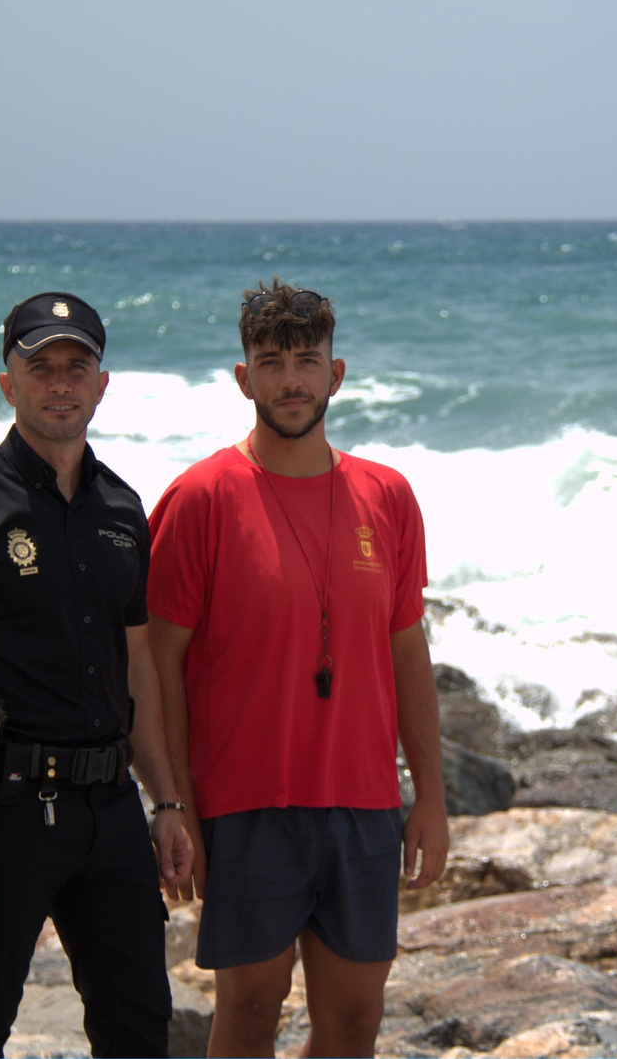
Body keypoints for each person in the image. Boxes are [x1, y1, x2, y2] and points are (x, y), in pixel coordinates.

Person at [0, 291, 193, 1058]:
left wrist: (167, 801)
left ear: (101, 384)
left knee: (140, 1029)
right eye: (40, 366)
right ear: (8, 383)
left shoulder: (121, 509)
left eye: (76, 367)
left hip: (108, 812)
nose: (60, 382)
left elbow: (139, 668)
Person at [148, 279, 448, 1058]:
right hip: (247, 804)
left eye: (306, 361)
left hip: (363, 801)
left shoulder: (388, 496)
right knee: (249, 1011)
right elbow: (157, 666)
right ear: (244, 378)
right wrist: (174, 804)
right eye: (271, 361)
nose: (290, 380)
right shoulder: (200, 497)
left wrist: (431, 799)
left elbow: (407, 651)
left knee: (353, 1024)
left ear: (335, 375)